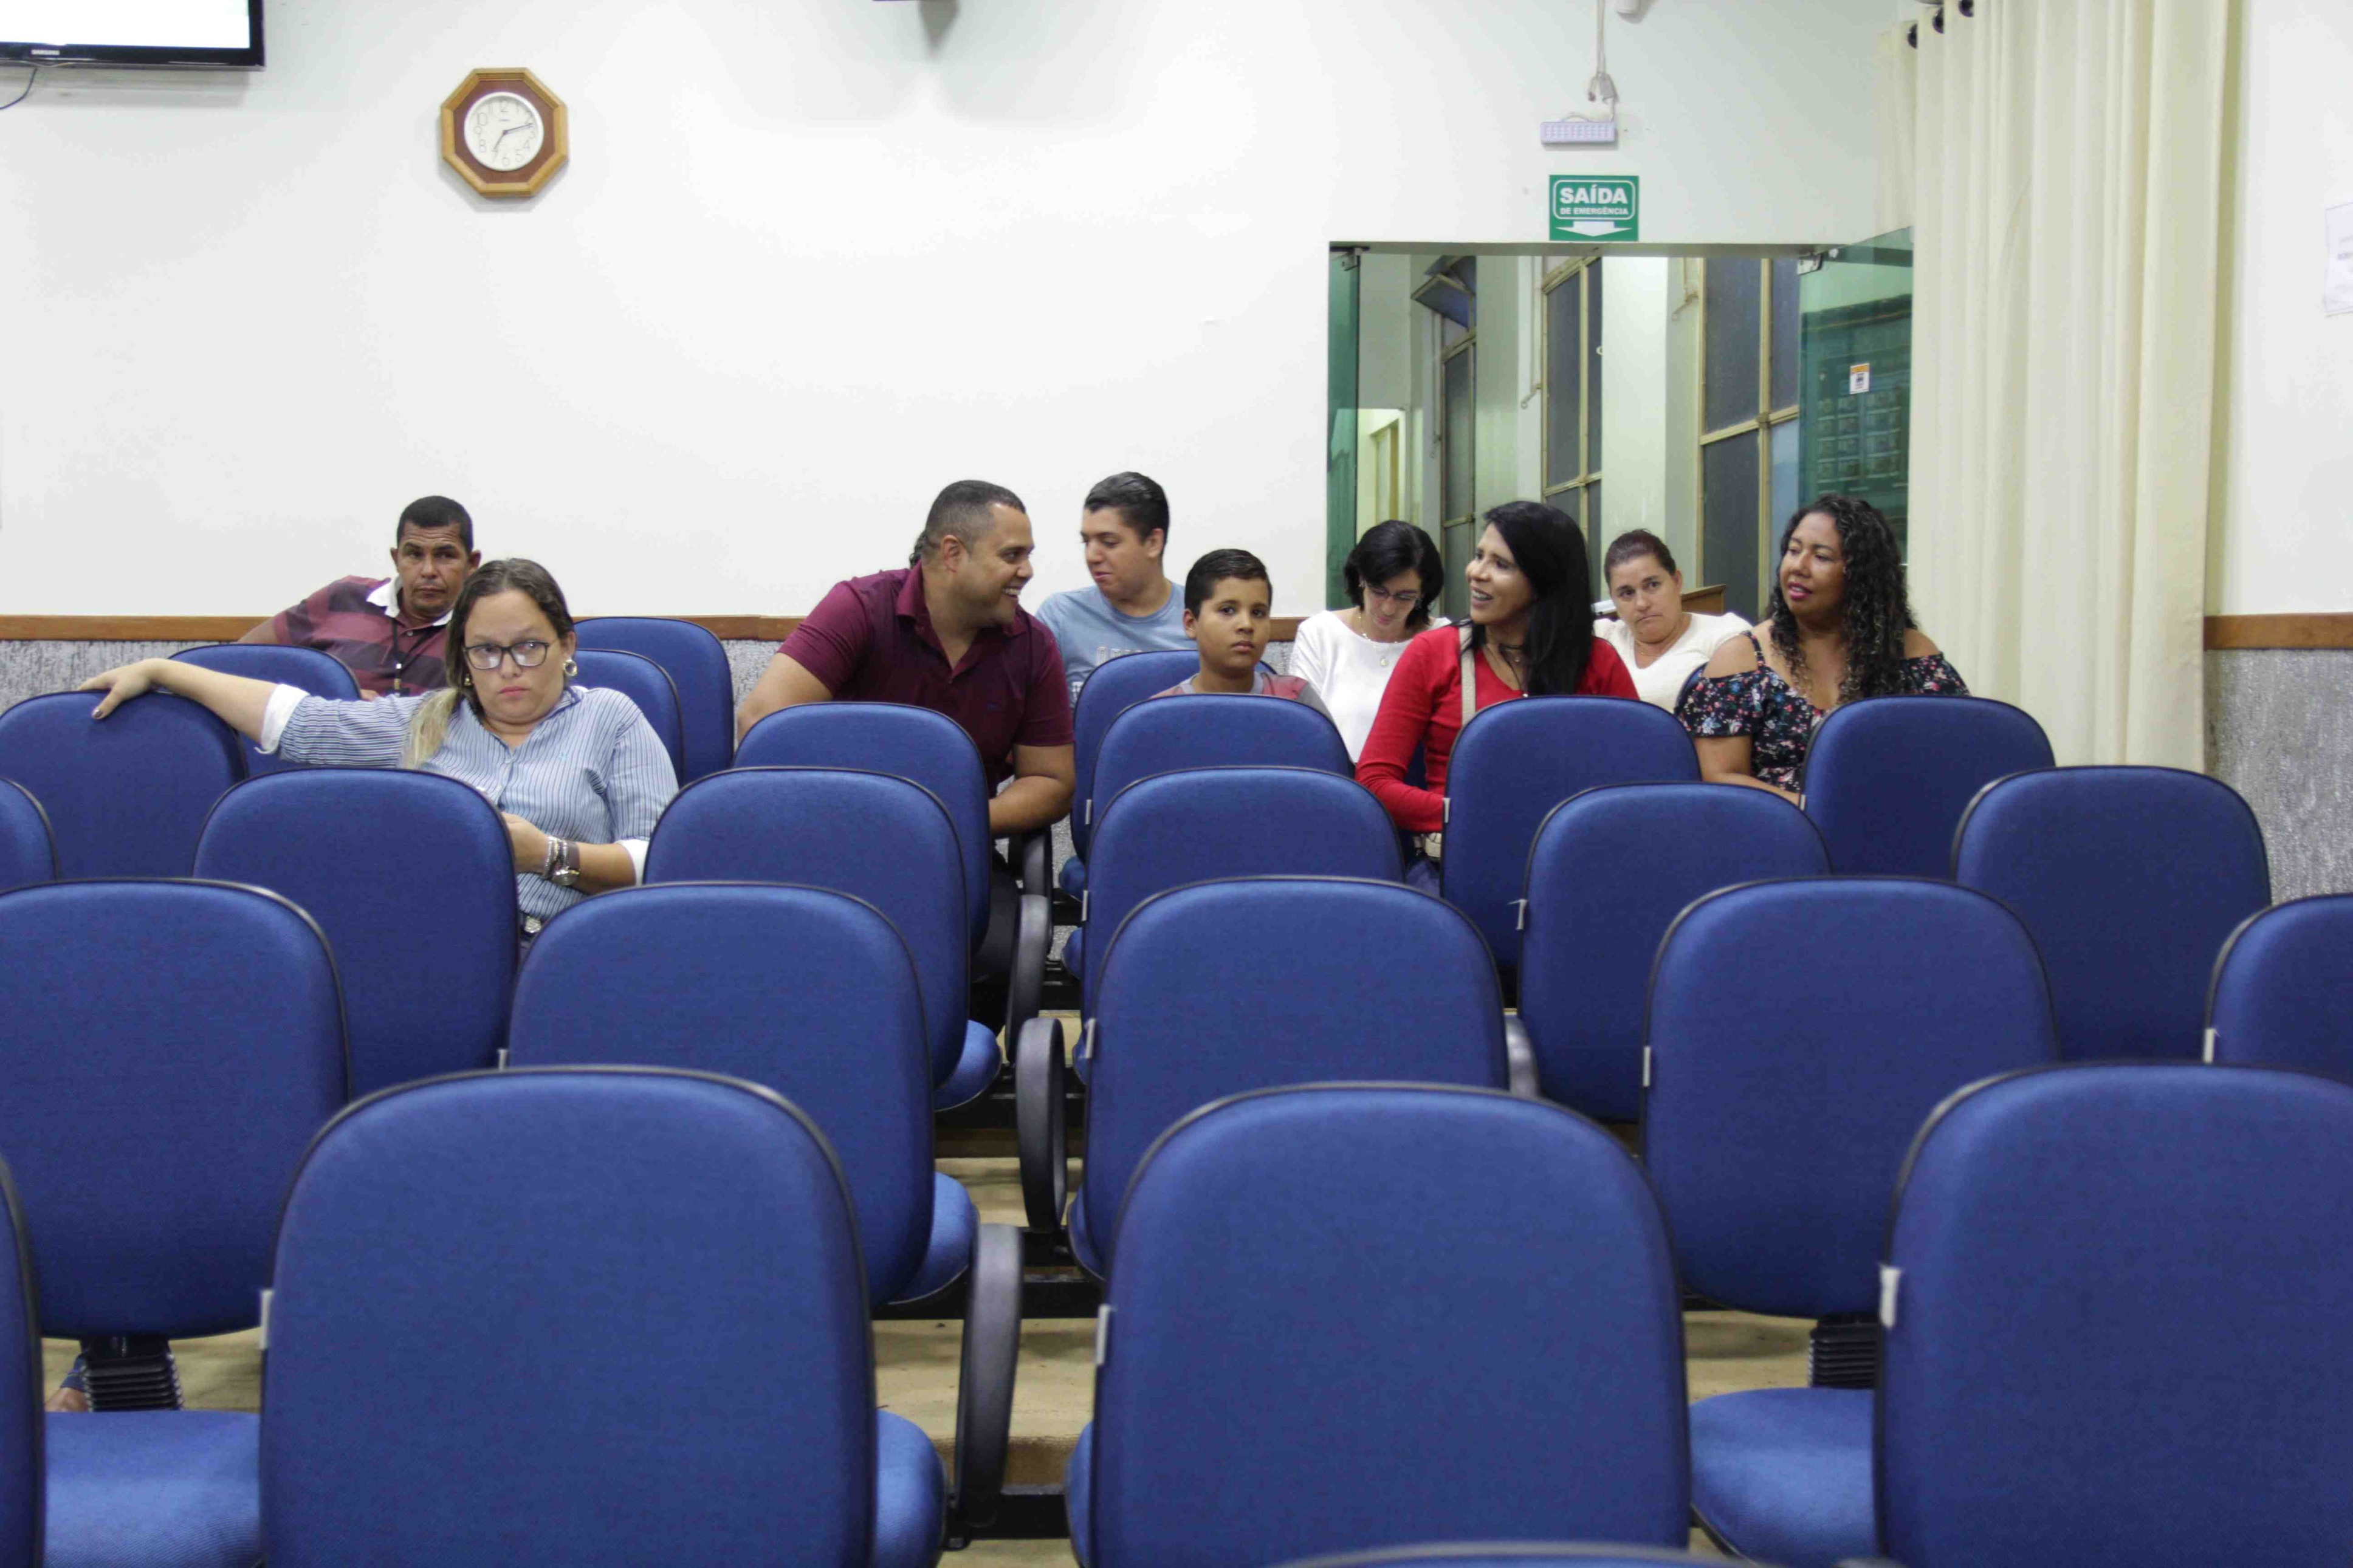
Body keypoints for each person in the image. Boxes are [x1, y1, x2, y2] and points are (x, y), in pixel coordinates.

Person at [83, 558, 676, 934]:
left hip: (561, 945)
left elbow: (660, 861)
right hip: (430, 943)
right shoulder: (427, 719)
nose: (507, 668)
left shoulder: (611, 717)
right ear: (463, 658)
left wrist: (548, 855)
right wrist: (166, 670)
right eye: (486, 651)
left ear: (566, 644)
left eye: (528, 647)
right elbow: (297, 722)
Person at [734, 479, 1075, 837]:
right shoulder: (860, 609)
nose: (1027, 571)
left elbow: (1051, 780)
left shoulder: (1034, 645)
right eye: (1012, 555)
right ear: (953, 554)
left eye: (1028, 556)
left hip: (955, 846)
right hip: (832, 837)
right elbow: (760, 720)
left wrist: (948, 823)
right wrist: (847, 814)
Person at [1358, 501, 1638, 886]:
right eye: (1479, 556)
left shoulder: (1598, 662)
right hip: (1458, 863)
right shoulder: (1433, 653)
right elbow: (1374, 781)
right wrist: (1466, 814)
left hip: (1574, 864)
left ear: (1544, 583)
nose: (1476, 572)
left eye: (1501, 564)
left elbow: (1639, 780)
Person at [1679, 493, 1966, 802]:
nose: (1798, 567)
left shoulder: (1911, 653)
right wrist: (1819, 810)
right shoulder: (1742, 659)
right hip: (1781, 824)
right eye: (1793, 551)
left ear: (1860, 576)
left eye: (1821, 557)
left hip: (1895, 819)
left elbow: (1959, 753)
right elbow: (1721, 777)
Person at [241, 495, 481, 694]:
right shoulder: (342, 599)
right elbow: (239, 661)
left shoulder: (481, 626)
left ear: (471, 564)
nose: (428, 571)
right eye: (414, 555)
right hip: (332, 736)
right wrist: (337, 697)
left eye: (445, 556)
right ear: (396, 559)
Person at [1287, 519, 1446, 759]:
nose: (1388, 608)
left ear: (1423, 593)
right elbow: (1303, 730)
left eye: (1405, 597)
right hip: (1336, 776)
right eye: (1378, 592)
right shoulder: (1320, 634)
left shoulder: (1444, 639)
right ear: (1360, 579)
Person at [1033, 471, 1192, 701]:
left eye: (1109, 542)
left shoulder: (1202, 619)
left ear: (1153, 543)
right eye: (1086, 542)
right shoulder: (1060, 616)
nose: (1092, 556)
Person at [1150, 549, 1331, 716]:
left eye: (1258, 613)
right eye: (1227, 610)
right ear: (1191, 624)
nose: (1247, 625)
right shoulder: (1160, 714)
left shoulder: (1297, 699)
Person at [1593, 529, 1751, 711]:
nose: (1642, 604)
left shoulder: (1725, 636)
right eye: (1627, 593)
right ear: (1613, 599)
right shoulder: (1604, 637)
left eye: (1653, 585)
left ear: (1677, 581)